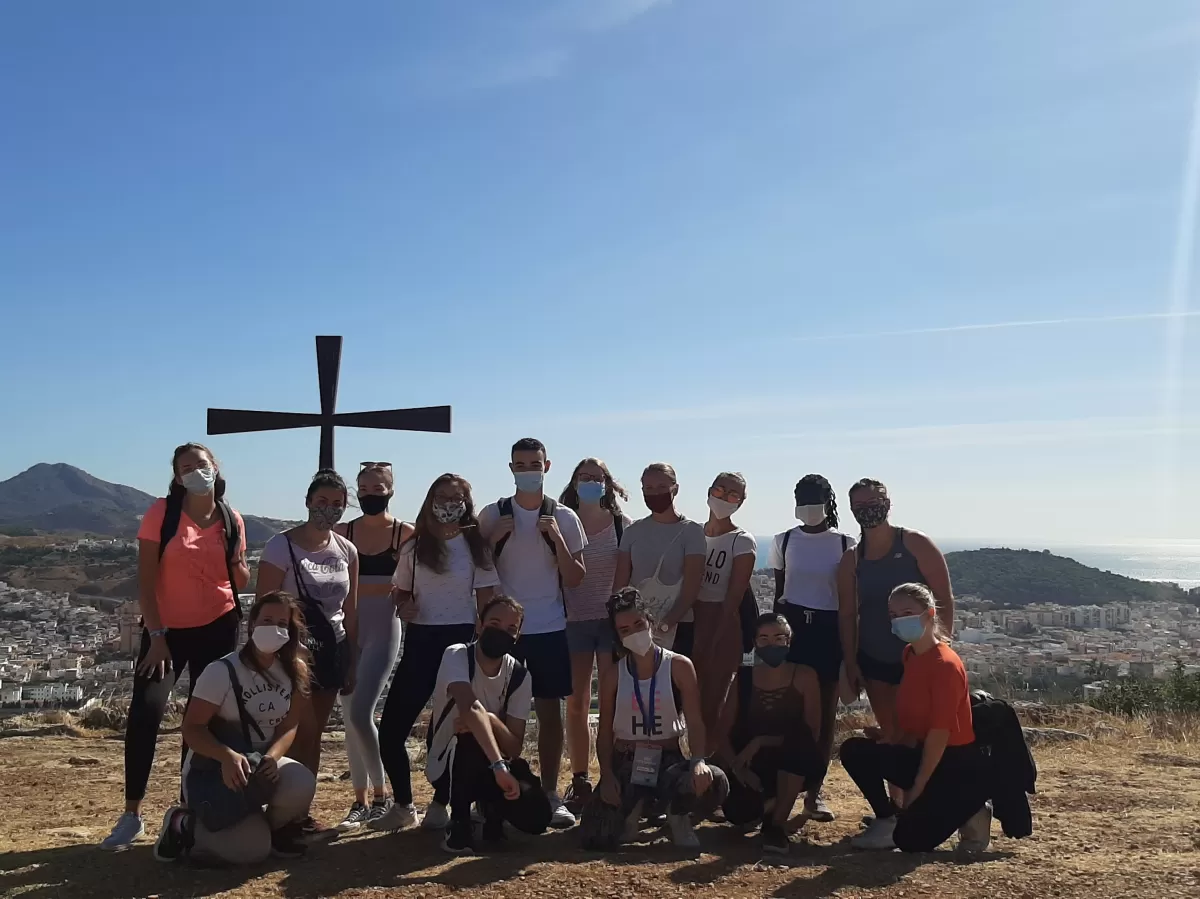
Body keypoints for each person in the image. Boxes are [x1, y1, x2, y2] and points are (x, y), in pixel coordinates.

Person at [101, 443, 250, 851]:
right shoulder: (162, 514)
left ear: (214, 467)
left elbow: (240, 580)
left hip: (219, 625)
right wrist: (158, 637)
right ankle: (131, 814)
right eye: (186, 467)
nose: (195, 472)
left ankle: (188, 809)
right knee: (146, 712)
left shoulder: (230, 518)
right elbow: (146, 581)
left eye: (200, 465)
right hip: (166, 630)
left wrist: (238, 559)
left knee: (200, 721)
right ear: (176, 474)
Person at [152, 591, 316, 865]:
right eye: (266, 620)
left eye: (281, 623)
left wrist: (273, 757)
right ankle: (183, 825)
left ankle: (266, 829)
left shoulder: (294, 670)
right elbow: (192, 729)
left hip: (259, 768)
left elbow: (290, 725)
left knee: (301, 783)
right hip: (218, 769)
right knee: (251, 851)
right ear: (252, 625)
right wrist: (225, 756)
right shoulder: (222, 671)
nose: (273, 628)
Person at [376, 473, 500, 832]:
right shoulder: (415, 548)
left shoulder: (475, 546)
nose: (448, 503)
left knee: (453, 729)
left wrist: (486, 637)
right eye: (442, 496)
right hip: (421, 640)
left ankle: (444, 801)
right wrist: (403, 605)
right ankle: (403, 803)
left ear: (466, 504)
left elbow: (486, 597)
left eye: (456, 497)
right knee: (393, 729)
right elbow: (399, 591)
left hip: (460, 643)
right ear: (429, 499)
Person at [477, 438, 587, 830]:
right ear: (510, 468)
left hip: (549, 626)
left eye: (534, 463)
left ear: (547, 466)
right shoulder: (493, 514)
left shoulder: (564, 517)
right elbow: (477, 568)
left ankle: (551, 792)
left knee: (549, 714)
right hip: (505, 630)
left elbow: (575, 577)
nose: (528, 470)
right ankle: (495, 792)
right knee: (496, 714)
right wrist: (491, 540)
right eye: (521, 464)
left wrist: (556, 539)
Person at [840, 583, 991, 852]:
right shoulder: (910, 654)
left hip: (951, 763)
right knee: (854, 750)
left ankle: (972, 808)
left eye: (907, 612)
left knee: (912, 842)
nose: (899, 620)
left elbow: (940, 733)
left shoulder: (945, 665)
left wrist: (917, 789)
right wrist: (892, 738)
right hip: (921, 751)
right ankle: (889, 819)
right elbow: (914, 715)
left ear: (930, 614)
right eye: (894, 614)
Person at [256, 469, 359, 837]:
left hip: (331, 647)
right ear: (308, 501)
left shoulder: (347, 550)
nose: (328, 510)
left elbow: (351, 610)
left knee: (311, 736)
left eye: (337, 504)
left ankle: (298, 811)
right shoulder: (280, 546)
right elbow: (264, 605)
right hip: (290, 651)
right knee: (298, 729)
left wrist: (352, 659)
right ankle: (277, 808)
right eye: (321, 502)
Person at [586, 587, 729, 851]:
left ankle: (676, 814)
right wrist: (606, 774)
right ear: (618, 636)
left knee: (715, 782)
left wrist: (698, 760)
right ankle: (635, 809)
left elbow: (695, 721)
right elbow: (605, 730)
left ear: (650, 622)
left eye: (639, 624)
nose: (634, 633)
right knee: (596, 836)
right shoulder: (613, 675)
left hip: (668, 759)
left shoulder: (679, 666)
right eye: (625, 630)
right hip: (627, 761)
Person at [426, 595, 552, 855]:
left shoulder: (519, 675)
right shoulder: (457, 655)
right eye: (495, 622)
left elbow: (515, 745)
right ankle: (458, 823)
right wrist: (499, 766)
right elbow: (468, 706)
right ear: (480, 624)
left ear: (517, 636)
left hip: (495, 764)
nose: (502, 632)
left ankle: (492, 815)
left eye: (511, 629)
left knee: (537, 816)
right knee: (469, 740)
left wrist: (491, 721)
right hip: (448, 762)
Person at [838, 479, 953, 744]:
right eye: (860, 505)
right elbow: (847, 614)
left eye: (873, 502)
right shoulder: (852, 559)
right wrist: (851, 662)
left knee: (919, 735)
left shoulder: (915, 544)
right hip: (874, 658)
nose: (867, 509)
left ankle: (921, 786)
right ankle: (897, 787)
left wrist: (943, 646)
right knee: (890, 735)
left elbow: (943, 598)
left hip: (919, 656)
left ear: (887, 504)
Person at [768, 473, 856, 822]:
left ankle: (814, 791)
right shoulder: (783, 540)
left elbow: (849, 598)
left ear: (828, 501)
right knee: (787, 708)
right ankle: (780, 785)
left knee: (823, 713)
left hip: (827, 629)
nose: (807, 504)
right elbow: (779, 592)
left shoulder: (845, 543)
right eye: (801, 497)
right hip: (791, 628)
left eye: (813, 497)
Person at [333, 462, 412, 831]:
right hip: (346, 630)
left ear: (391, 489)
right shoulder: (341, 532)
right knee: (350, 718)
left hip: (384, 628)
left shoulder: (406, 534)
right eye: (363, 488)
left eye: (377, 487)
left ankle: (383, 797)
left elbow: (416, 585)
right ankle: (360, 801)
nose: (370, 494)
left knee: (362, 712)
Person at [557, 457, 632, 813]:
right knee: (576, 704)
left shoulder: (622, 526)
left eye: (597, 477)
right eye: (584, 477)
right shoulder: (561, 522)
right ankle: (580, 778)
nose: (590, 482)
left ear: (608, 483)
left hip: (610, 623)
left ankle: (611, 775)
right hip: (571, 621)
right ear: (573, 482)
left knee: (611, 703)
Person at [717, 613, 824, 855]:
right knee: (737, 813)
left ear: (789, 640)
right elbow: (721, 732)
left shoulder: (805, 676)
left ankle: (776, 826)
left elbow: (811, 732)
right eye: (763, 639)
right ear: (754, 643)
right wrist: (738, 768)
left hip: (794, 759)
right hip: (752, 766)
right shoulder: (743, 678)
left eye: (779, 638)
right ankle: (770, 803)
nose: (771, 644)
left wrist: (760, 741)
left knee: (798, 738)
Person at [613, 463, 705, 657]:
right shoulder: (632, 532)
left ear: (675, 489)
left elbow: (691, 589)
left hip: (678, 628)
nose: (655, 493)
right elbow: (620, 585)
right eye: (649, 488)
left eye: (662, 487)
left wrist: (663, 627)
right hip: (635, 629)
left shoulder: (692, 532)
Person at [693, 472, 756, 738]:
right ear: (709, 491)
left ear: (741, 502)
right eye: (720, 491)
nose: (725, 498)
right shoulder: (693, 533)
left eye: (733, 495)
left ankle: (710, 767)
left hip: (721, 623)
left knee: (711, 703)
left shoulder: (742, 540)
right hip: (690, 620)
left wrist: (714, 638)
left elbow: (734, 597)